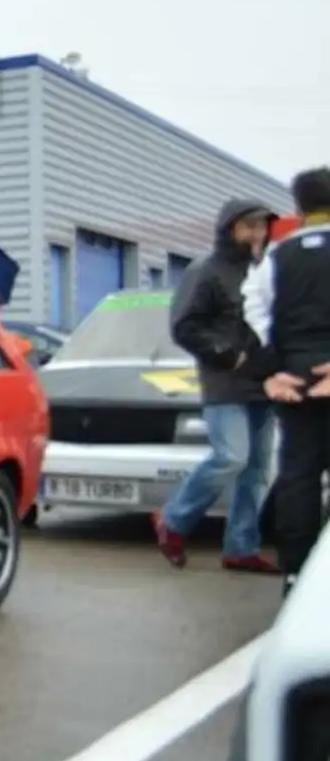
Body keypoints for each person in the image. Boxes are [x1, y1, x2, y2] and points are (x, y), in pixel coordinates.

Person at [152, 199, 280, 573]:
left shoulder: (265, 271)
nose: (257, 234)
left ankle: (241, 548)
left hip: (264, 381)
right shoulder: (205, 270)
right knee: (231, 457)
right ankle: (173, 520)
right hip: (225, 381)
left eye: (261, 227)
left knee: (257, 470)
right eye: (249, 226)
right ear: (229, 229)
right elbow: (184, 326)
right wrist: (224, 354)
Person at [242, 166, 330, 598]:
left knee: (298, 476)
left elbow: (252, 315)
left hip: (294, 382)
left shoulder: (274, 259)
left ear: (298, 206)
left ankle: (296, 574)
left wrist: (274, 370)